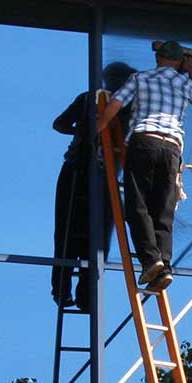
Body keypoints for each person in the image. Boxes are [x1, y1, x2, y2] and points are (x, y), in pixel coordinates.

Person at [94, 39, 192, 292]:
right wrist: (190, 70)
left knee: (137, 204)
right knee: (163, 209)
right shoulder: (184, 83)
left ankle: (151, 260)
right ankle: (166, 266)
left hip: (144, 141)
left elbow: (116, 104)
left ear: (159, 59)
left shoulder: (141, 78)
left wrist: (100, 128)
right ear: (178, 62)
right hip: (172, 148)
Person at [50, 61, 135, 309]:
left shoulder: (89, 99)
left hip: (77, 170)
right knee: (97, 238)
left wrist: (82, 131)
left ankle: (61, 289)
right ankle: (87, 296)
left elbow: (60, 124)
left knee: (66, 230)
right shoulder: (129, 106)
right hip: (103, 175)